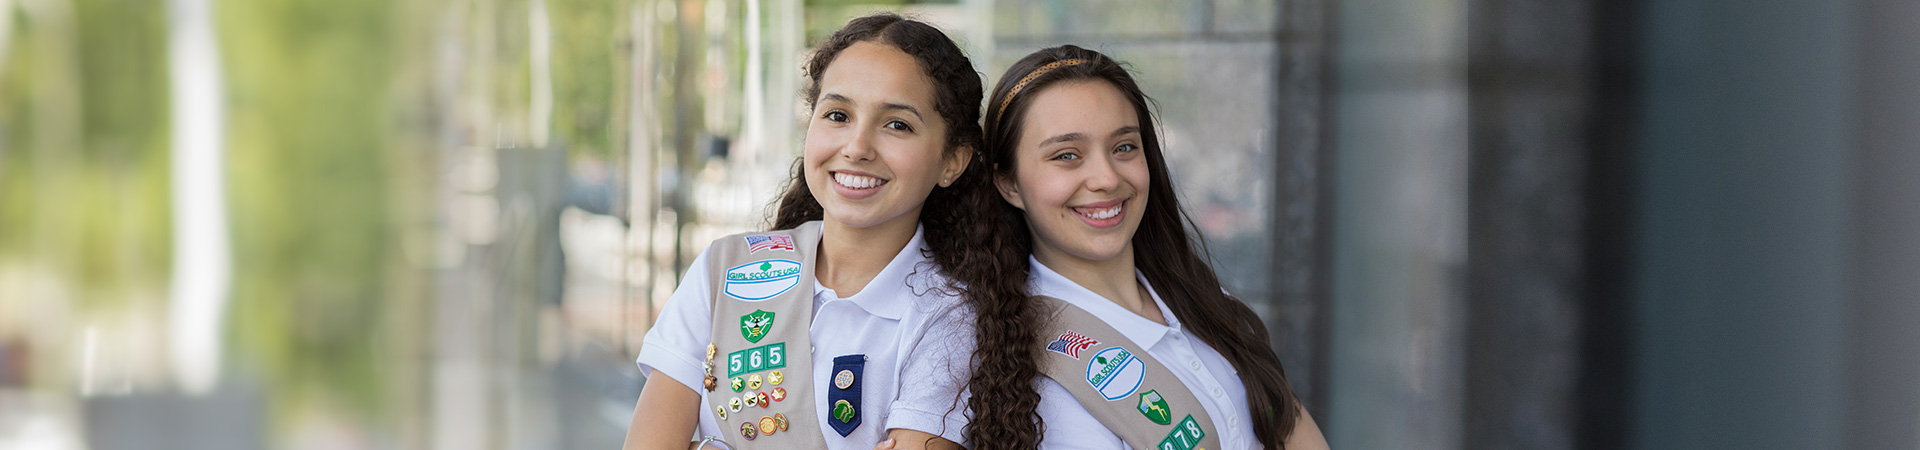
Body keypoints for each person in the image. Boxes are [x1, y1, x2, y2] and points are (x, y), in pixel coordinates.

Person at [621, 13, 992, 450]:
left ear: (953, 161)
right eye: (837, 115)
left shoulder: (949, 319)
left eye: (897, 125)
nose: (856, 147)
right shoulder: (725, 270)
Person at [968, 45, 1332, 449]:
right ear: (1009, 183)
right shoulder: (1027, 363)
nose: (1106, 178)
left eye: (1124, 147)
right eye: (1067, 155)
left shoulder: (1201, 299)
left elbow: (1290, 425)